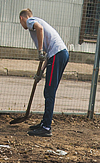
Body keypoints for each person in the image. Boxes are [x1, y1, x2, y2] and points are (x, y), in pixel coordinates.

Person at [18, 9, 69, 137]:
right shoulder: (37, 22)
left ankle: (46, 128)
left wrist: (39, 51)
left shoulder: (30, 21)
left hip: (57, 55)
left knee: (49, 92)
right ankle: (44, 123)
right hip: (59, 54)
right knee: (49, 91)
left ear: (21, 18)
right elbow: (48, 56)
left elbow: (39, 29)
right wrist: (41, 72)